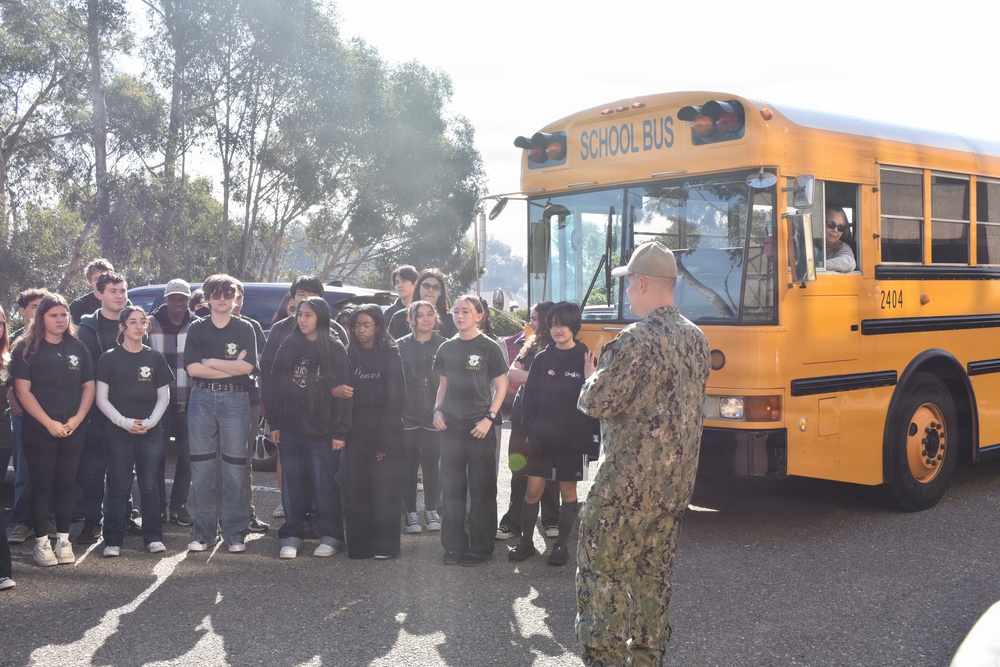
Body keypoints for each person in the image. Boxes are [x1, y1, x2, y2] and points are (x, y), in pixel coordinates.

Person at [575, 241, 710, 667]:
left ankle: (607, 660)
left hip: (624, 488)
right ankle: (649, 658)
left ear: (642, 282)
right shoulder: (697, 338)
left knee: (603, 577)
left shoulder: (636, 340)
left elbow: (596, 402)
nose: (627, 293)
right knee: (652, 577)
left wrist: (591, 376)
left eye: (629, 284)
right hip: (672, 489)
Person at [508, 301, 598, 566]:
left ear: (574, 326)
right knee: (533, 489)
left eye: (563, 324)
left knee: (568, 493)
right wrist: (533, 430)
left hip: (574, 441)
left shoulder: (586, 357)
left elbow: (595, 403)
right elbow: (530, 399)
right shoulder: (542, 357)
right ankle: (526, 543)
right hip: (541, 439)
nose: (558, 330)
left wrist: (591, 378)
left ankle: (561, 547)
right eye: (554, 324)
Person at [263, 297, 352, 559]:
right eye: (299, 314)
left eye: (308, 315)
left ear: (321, 318)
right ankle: (292, 534)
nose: (301, 320)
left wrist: (339, 432)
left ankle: (332, 536)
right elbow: (275, 385)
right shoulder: (289, 343)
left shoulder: (335, 349)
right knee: (292, 484)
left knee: (325, 486)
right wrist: (275, 422)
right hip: (290, 429)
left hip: (323, 432)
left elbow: (347, 393)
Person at [11, 294, 95, 568]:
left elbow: (88, 387)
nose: (60, 320)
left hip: (73, 428)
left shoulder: (78, 346)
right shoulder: (25, 349)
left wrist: (77, 419)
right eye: (53, 315)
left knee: (66, 485)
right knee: (40, 486)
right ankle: (41, 544)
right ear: (41, 318)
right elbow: (23, 391)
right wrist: (49, 423)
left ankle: (63, 539)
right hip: (39, 429)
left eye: (64, 314)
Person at [184, 274, 258, 553]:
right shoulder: (197, 328)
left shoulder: (245, 328)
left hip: (236, 398)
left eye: (228, 293)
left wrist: (212, 361)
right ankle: (204, 534)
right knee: (202, 467)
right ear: (208, 297)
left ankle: (235, 533)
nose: (223, 298)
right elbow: (193, 369)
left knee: (236, 467)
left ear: (235, 296)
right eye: (216, 293)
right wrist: (230, 364)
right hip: (201, 397)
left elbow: (247, 368)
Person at [432, 295, 508, 566]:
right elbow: (442, 385)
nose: (460, 315)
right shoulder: (446, 348)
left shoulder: (489, 348)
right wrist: (437, 410)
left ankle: (482, 546)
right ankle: (453, 545)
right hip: (451, 427)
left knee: (481, 489)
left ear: (479, 315)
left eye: (466, 311)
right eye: (456, 311)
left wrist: (489, 418)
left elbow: (501, 386)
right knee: (452, 489)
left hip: (480, 427)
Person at [95, 306, 173, 556]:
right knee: (118, 486)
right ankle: (113, 540)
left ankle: (153, 537)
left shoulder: (155, 358)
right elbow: (101, 399)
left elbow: (164, 396)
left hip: (151, 432)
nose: (139, 326)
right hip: (117, 432)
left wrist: (149, 422)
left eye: (142, 322)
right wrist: (125, 422)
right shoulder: (108, 358)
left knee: (150, 486)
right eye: (132, 322)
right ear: (122, 327)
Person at [76, 270, 134, 545]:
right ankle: (91, 523)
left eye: (123, 290)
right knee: (94, 471)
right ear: (99, 294)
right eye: (113, 291)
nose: (120, 296)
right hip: (97, 412)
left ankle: (124, 517)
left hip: (131, 407)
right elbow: (90, 369)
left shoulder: (135, 320)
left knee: (125, 469)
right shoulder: (88, 326)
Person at [343, 304, 404, 559]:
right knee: (356, 491)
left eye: (366, 325)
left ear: (378, 326)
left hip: (383, 433)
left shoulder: (391, 353)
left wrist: (384, 440)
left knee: (384, 492)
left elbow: (396, 400)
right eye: (356, 325)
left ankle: (386, 546)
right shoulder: (350, 353)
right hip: (354, 434)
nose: (360, 330)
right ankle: (359, 547)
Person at [497, 302, 560, 543]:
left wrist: (531, 379)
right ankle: (514, 523)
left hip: (549, 418)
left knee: (549, 470)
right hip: (522, 417)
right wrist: (544, 379)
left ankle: (551, 519)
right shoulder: (530, 344)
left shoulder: (560, 346)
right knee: (518, 471)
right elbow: (512, 374)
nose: (530, 323)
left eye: (534, 319)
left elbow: (560, 383)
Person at [6, 288, 51, 545]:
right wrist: (18, 409)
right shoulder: (13, 340)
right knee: (24, 472)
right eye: (34, 306)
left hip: (53, 416)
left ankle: (49, 519)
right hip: (24, 416)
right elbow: (8, 383)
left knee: (52, 471)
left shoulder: (56, 339)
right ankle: (21, 522)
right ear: (23, 311)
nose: (38, 311)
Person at [397, 300, 446, 534]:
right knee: (407, 464)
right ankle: (410, 512)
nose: (426, 319)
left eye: (430, 314)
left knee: (431, 463)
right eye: (420, 315)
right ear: (410, 319)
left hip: (434, 413)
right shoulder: (399, 346)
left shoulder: (445, 345)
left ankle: (431, 509)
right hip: (407, 413)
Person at [148, 279, 195, 527]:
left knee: (188, 459)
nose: (177, 303)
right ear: (166, 299)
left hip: (191, 404)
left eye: (182, 298)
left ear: (188, 300)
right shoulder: (150, 324)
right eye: (173, 298)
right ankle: (158, 506)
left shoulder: (197, 324)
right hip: (159, 406)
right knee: (157, 458)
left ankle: (179, 505)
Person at [233, 285, 270, 534]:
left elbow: (258, 366)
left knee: (243, 461)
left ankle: (246, 514)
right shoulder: (203, 325)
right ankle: (218, 517)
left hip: (248, 399)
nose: (234, 301)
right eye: (228, 296)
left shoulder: (252, 327)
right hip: (212, 400)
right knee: (215, 463)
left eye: (238, 296)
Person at [388, 268, 457, 339]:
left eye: (436, 287)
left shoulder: (451, 320)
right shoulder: (399, 317)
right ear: (418, 288)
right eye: (426, 286)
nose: (430, 290)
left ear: (441, 292)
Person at [69, 258, 114, 324]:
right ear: (90, 282)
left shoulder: (122, 301)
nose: (103, 281)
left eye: (106, 278)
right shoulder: (79, 305)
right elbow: (74, 331)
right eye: (97, 279)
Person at [383, 265, 419, 336]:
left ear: (415, 283)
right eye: (397, 282)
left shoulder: (425, 309)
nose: (400, 285)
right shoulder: (388, 313)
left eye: (404, 281)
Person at [825, 206, 856, 273]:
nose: (835, 230)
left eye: (841, 227)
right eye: (831, 224)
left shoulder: (842, 247)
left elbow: (849, 263)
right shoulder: (808, 244)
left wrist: (819, 267)